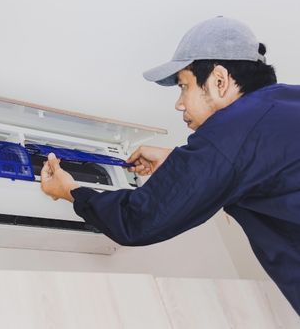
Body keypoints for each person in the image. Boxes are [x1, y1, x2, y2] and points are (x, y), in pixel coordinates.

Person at [40, 16, 300, 315]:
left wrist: (71, 191)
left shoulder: (229, 132)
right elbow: (254, 167)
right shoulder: (285, 104)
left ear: (219, 80)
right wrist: (182, 161)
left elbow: (138, 221)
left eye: (183, 86)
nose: (179, 104)